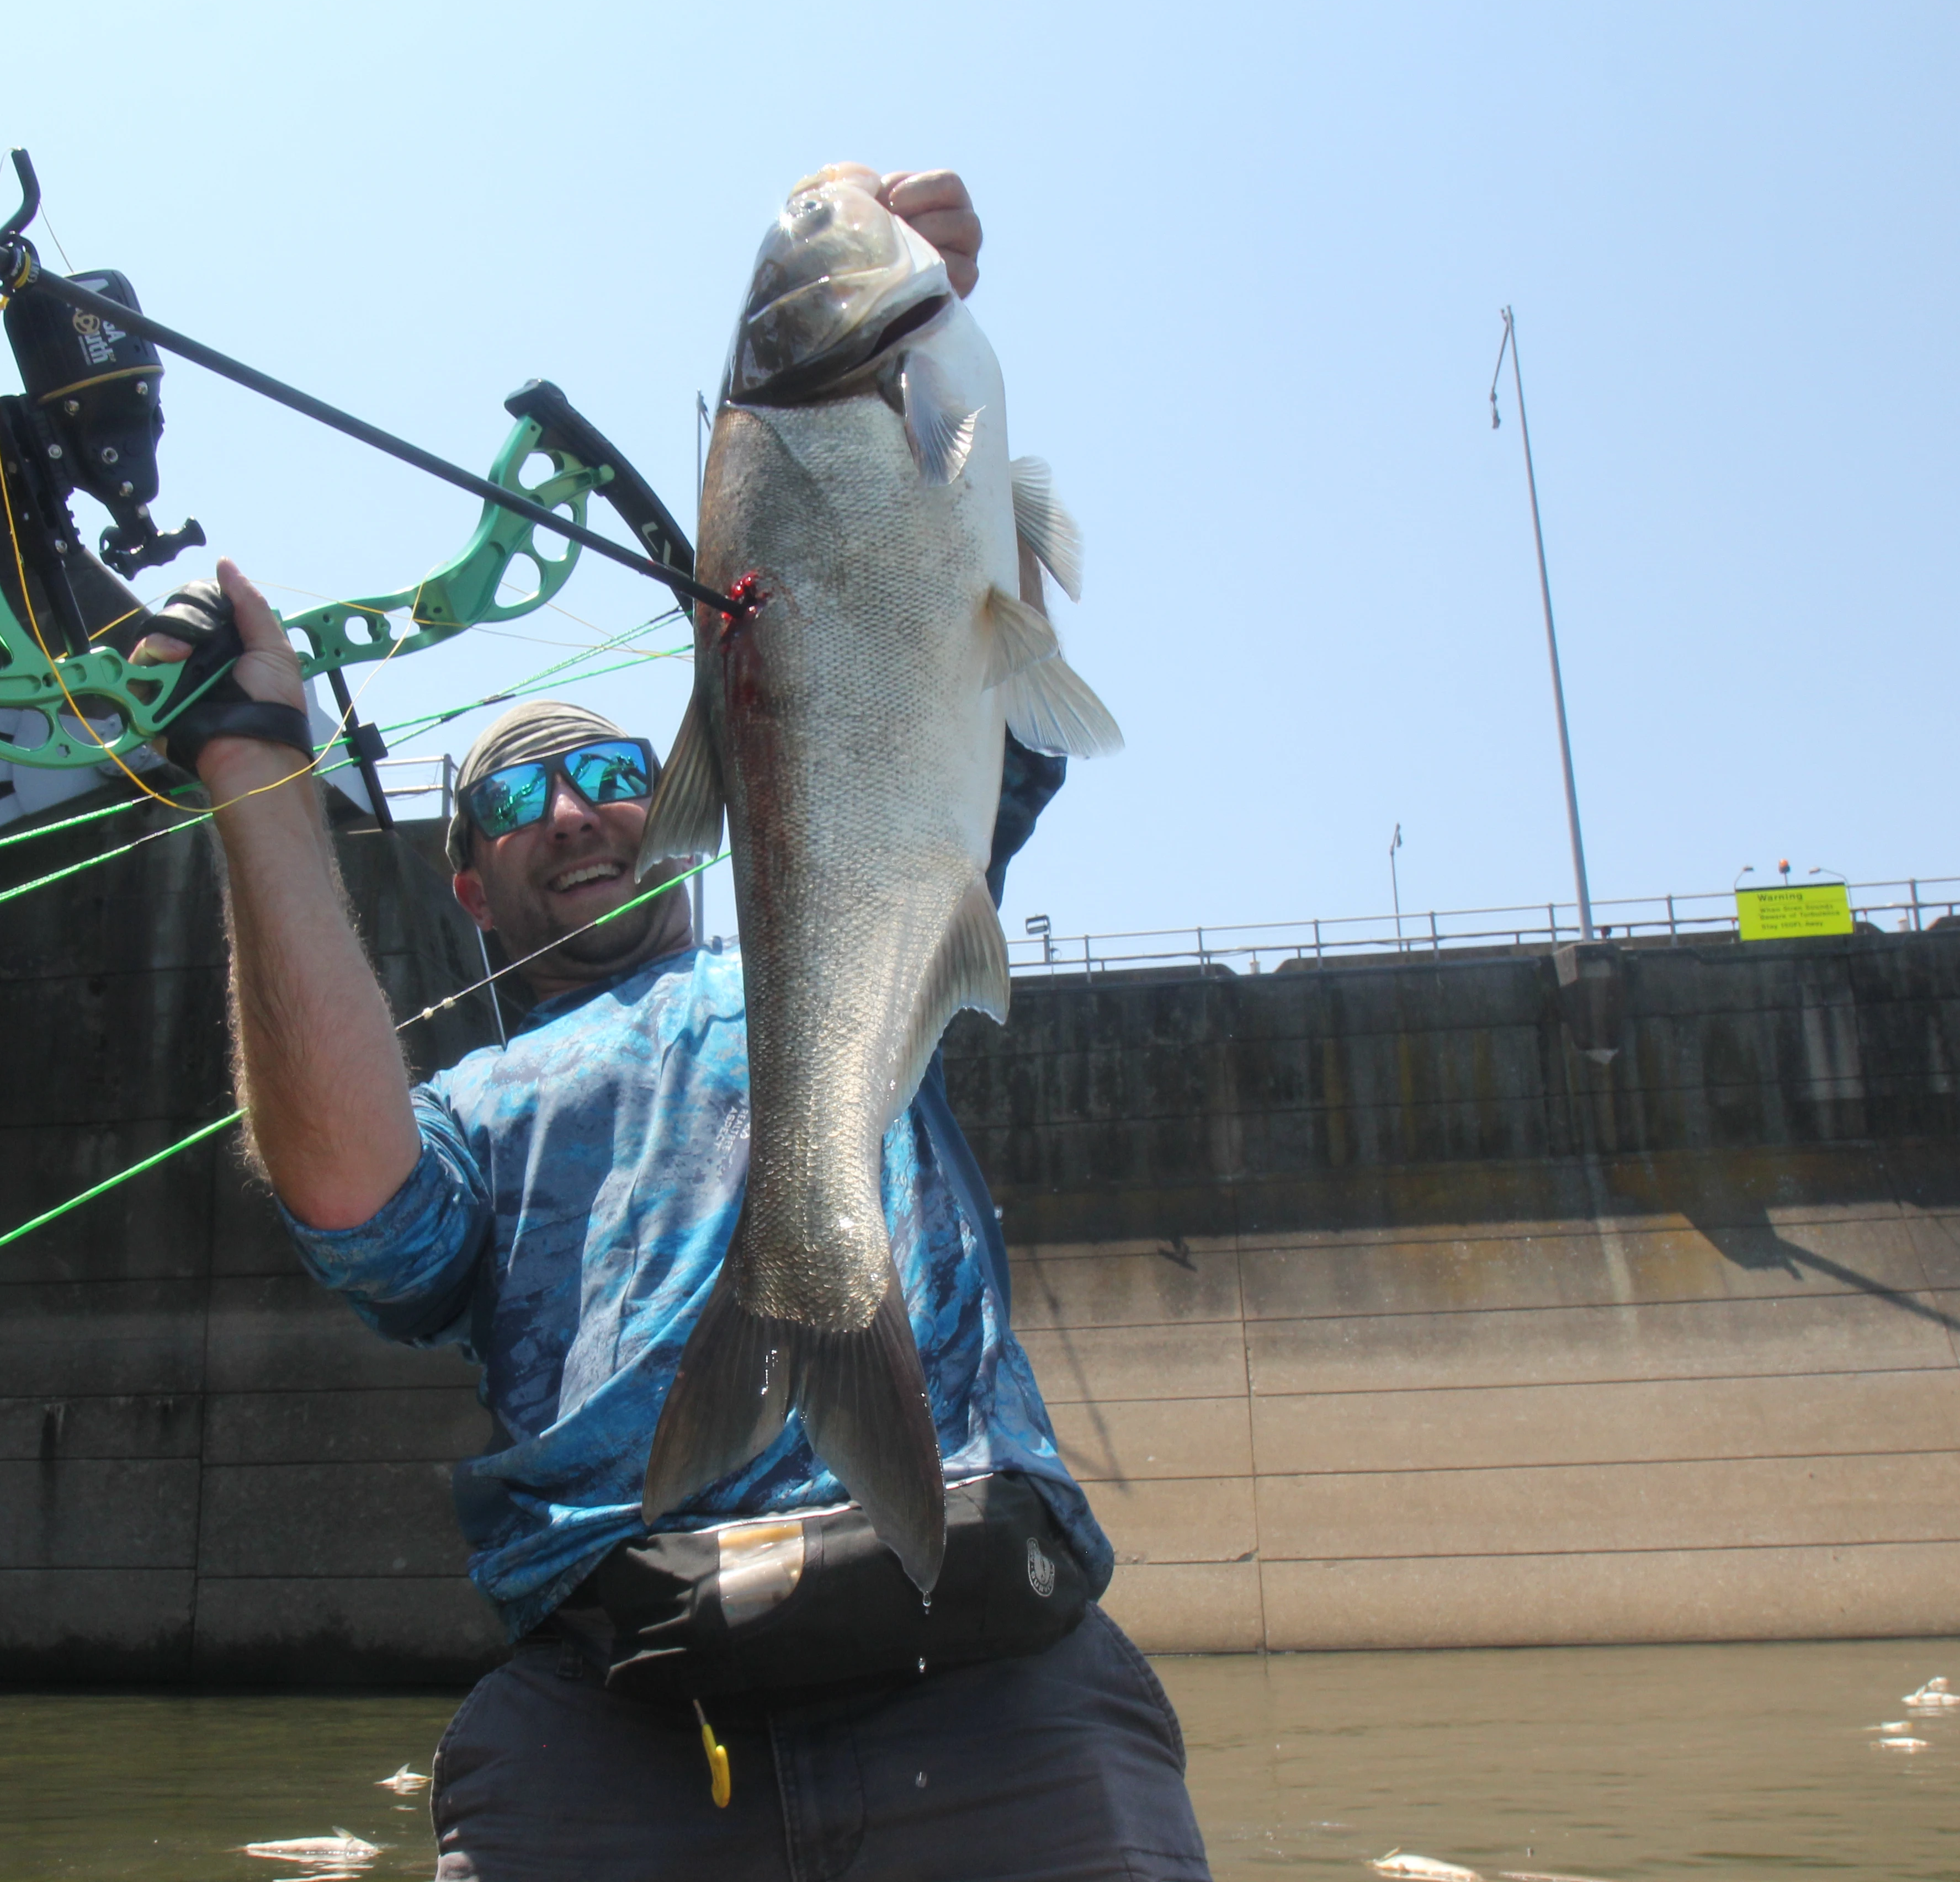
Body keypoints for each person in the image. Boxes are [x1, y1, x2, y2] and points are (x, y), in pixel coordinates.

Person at [142, 171, 1208, 1882]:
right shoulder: (479, 1108)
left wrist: (924, 370)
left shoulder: (814, 938)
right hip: (611, 1712)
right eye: (522, 794)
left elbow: (955, 696)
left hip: (986, 1664)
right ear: (468, 889)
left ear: (693, 813)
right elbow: (354, 1205)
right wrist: (255, 769)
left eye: (615, 774)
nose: (579, 810)